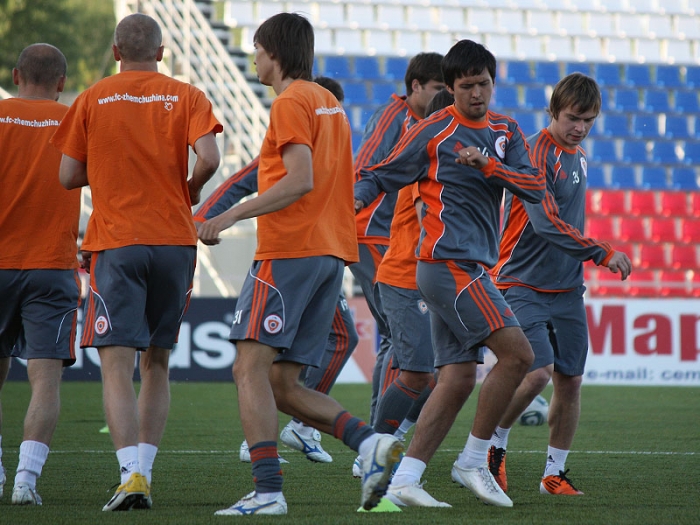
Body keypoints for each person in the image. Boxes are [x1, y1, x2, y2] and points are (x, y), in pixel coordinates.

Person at [197, 13, 402, 516]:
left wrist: (229, 215)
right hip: (330, 254)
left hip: (290, 252)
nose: (253, 59)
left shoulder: (290, 102)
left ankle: (268, 492)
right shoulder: (329, 103)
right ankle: (371, 444)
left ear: (275, 53)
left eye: (257, 50)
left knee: (248, 368)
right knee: (284, 385)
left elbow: (299, 179)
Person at [354, 39, 546, 508]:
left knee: (457, 377)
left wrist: (490, 166)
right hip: (448, 266)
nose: (476, 93)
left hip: (468, 267)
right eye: (466, 86)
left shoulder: (506, 130)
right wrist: (352, 201)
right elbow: (382, 173)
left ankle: (405, 479)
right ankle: (473, 460)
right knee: (519, 356)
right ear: (453, 87)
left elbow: (535, 186)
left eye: (484, 84)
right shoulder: (434, 130)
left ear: (493, 82)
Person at [52, 13, 223, 511]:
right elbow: (210, 158)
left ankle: (131, 476)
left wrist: (112, 168)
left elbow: (68, 175)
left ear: (115, 52)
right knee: (157, 362)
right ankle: (144, 470)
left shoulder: (92, 98)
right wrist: (188, 188)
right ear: (161, 52)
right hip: (174, 241)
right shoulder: (186, 95)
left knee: (115, 364)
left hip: (118, 242)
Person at [194, 76, 358, 464]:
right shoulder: (297, 135)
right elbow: (242, 181)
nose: (332, 114)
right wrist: (204, 218)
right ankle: (269, 434)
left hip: (321, 254)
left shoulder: (329, 142)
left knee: (339, 338)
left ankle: (300, 425)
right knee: (259, 363)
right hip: (297, 255)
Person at [487, 73, 632, 495]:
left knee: (570, 380)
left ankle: (554, 474)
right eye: (573, 118)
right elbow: (546, 223)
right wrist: (600, 251)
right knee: (536, 372)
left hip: (567, 288)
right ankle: (492, 445)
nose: (580, 127)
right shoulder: (533, 153)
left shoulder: (579, 155)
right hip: (521, 281)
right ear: (553, 111)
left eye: (588, 120)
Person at [350, 51, 444, 477]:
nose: (443, 97)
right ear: (415, 87)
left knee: (415, 354)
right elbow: (365, 168)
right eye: (439, 89)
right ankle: (377, 440)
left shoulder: (429, 130)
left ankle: (384, 435)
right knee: (402, 346)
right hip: (372, 233)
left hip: (394, 242)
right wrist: (357, 201)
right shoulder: (397, 118)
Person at [0, 43, 79, 506]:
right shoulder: (75, 121)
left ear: (16, 76)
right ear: (62, 83)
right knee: (45, 379)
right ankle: (25, 481)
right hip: (51, 265)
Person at [371, 90, 455, 441]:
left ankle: (394, 436)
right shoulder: (428, 161)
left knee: (448, 375)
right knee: (418, 373)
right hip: (405, 279)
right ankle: (375, 447)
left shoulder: (442, 162)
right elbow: (428, 221)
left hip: (432, 281)